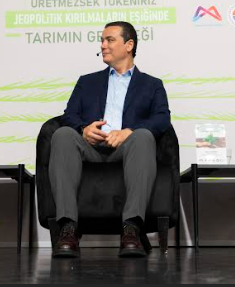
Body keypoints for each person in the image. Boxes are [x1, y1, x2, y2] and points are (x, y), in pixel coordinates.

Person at [49, 21, 170, 258]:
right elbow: (69, 115)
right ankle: (68, 229)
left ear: (129, 45)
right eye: (102, 40)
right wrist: (83, 129)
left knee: (143, 136)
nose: (103, 45)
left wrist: (129, 131)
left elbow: (162, 118)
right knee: (63, 134)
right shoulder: (87, 81)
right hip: (90, 147)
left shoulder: (152, 85)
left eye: (109, 40)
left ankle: (131, 229)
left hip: (127, 148)